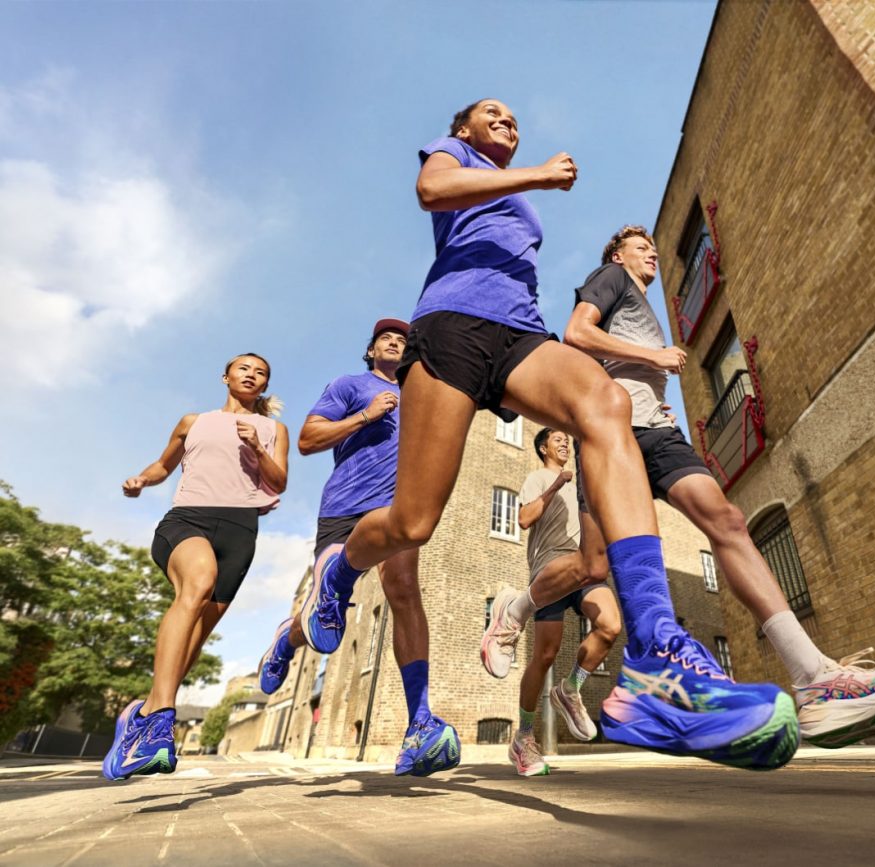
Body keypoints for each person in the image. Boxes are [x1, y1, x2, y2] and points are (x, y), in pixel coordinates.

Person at [303, 98, 798, 771]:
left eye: (512, 116)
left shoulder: (515, 194)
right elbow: (432, 191)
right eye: (491, 113)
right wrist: (534, 175)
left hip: (519, 335)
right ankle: (339, 571)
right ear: (464, 129)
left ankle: (654, 654)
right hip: (452, 326)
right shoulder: (455, 157)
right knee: (413, 522)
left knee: (606, 401)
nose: (507, 119)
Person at [488, 225, 875, 749]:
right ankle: (516, 609)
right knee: (592, 566)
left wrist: (655, 393)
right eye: (641, 246)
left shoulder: (645, 308)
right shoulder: (611, 278)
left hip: (657, 433)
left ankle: (815, 678)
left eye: (654, 246)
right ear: (617, 253)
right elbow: (577, 334)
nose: (652, 252)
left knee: (726, 520)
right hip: (612, 434)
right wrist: (653, 359)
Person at [258, 319, 459, 777]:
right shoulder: (350, 385)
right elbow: (308, 440)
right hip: (346, 506)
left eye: (403, 340)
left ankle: (420, 721)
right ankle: (284, 643)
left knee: (405, 592)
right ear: (370, 352)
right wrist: (366, 415)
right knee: (321, 623)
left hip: (395, 507)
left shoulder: (421, 394)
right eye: (386, 339)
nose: (395, 342)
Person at [104, 353, 289, 781]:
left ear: (264, 387)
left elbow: (277, 482)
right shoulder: (194, 421)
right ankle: (159, 722)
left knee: (198, 631)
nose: (252, 374)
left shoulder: (272, 429)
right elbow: (163, 465)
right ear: (226, 376)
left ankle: (141, 713)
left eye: (260, 373)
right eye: (244, 368)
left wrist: (258, 448)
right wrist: (140, 480)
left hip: (240, 532)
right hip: (188, 519)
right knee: (197, 583)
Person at [507, 428, 621, 776]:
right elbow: (525, 519)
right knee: (544, 655)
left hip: (584, 566)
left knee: (610, 625)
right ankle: (524, 738)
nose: (564, 443)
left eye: (566, 440)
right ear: (543, 447)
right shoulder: (538, 477)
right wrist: (556, 485)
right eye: (557, 439)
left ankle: (570, 688)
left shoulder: (582, 486)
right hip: (551, 569)